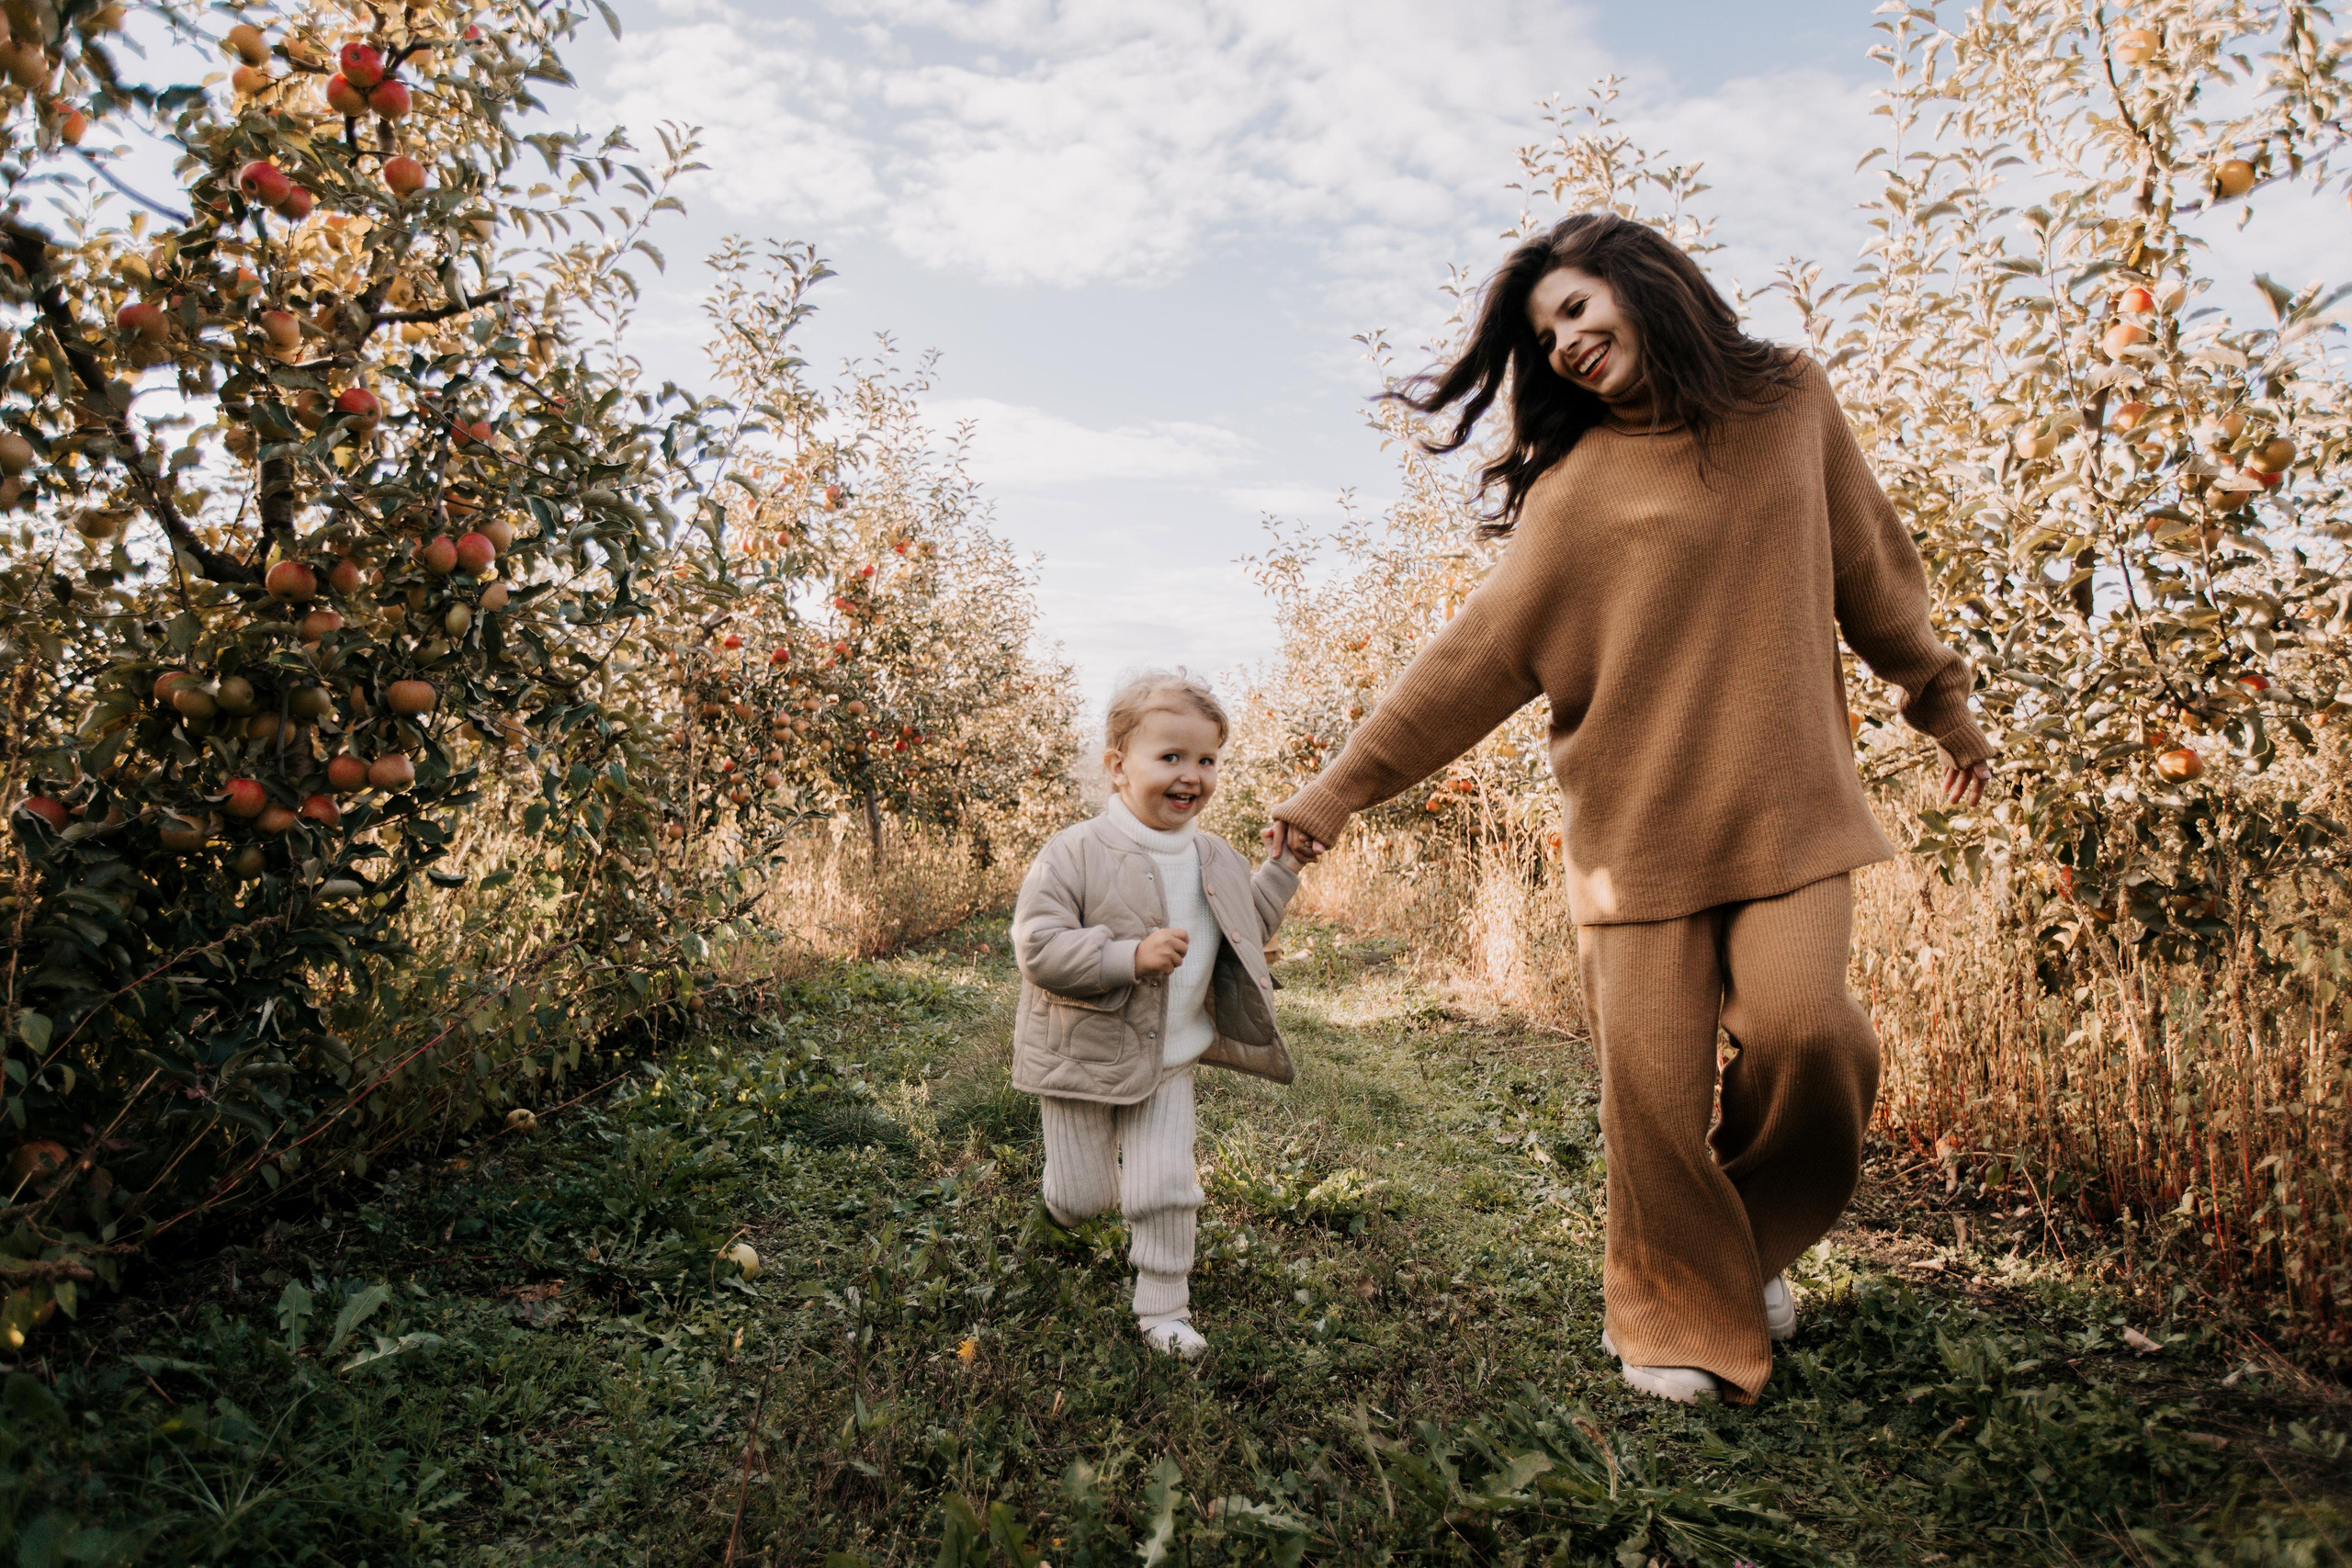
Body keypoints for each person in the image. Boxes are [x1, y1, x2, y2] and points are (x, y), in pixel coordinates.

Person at [1268, 212, 1994, 1405]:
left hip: (1788, 807)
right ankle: (1678, 1312)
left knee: (1812, 1035)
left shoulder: (1788, 401)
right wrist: (1340, 788)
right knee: (1652, 1101)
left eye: (1575, 307)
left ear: (1643, 284)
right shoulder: (1575, 486)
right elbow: (1476, 657)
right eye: (1544, 330)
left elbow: (1871, 562)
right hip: (1632, 835)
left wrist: (1943, 700)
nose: (1562, 340)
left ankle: (1738, 1244)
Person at [1011, 669, 1326, 1359]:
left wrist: (1283, 868)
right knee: (1083, 1197)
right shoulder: (1074, 852)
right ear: (1118, 767)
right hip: (1079, 1058)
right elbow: (1036, 946)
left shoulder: (1212, 854)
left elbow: (1247, 920)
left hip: (1169, 1056)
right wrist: (1126, 956)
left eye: (1207, 759)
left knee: (1163, 1185)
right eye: (1172, 757)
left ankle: (1164, 1307)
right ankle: (1067, 1199)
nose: (1192, 775)